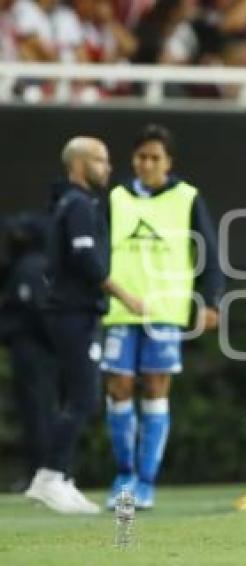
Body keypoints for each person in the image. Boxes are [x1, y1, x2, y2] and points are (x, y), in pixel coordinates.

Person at [100, 124, 224, 510]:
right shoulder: (116, 197)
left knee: (155, 389)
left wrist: (210, 301)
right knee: (118, 388)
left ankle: (147, 482)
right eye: (141, 157)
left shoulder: (187, 198)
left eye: (155, 158)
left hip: (165, 311)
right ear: (133, 160)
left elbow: (209, 252)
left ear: (168, 162)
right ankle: (124, 474)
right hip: (120, 309)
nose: (148, 164)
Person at [24, 137, 143, 515]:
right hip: (73, 312)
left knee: (74, 397)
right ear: (77, 165)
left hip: (75, 311)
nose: (108, 167)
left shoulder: (79, 202)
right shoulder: (77, 204)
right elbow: (87, 261)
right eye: (99, 160)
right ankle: (49, 476)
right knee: (85, 396)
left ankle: (63, 477)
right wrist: (126, 297)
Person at [0, 212, 54, 489]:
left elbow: (39, 313)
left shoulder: (32, 267)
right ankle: (39, 472)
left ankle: (43, 474)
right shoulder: (23, 265)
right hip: (30, 350)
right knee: (33, 411)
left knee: (38, 412)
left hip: (34, 351)